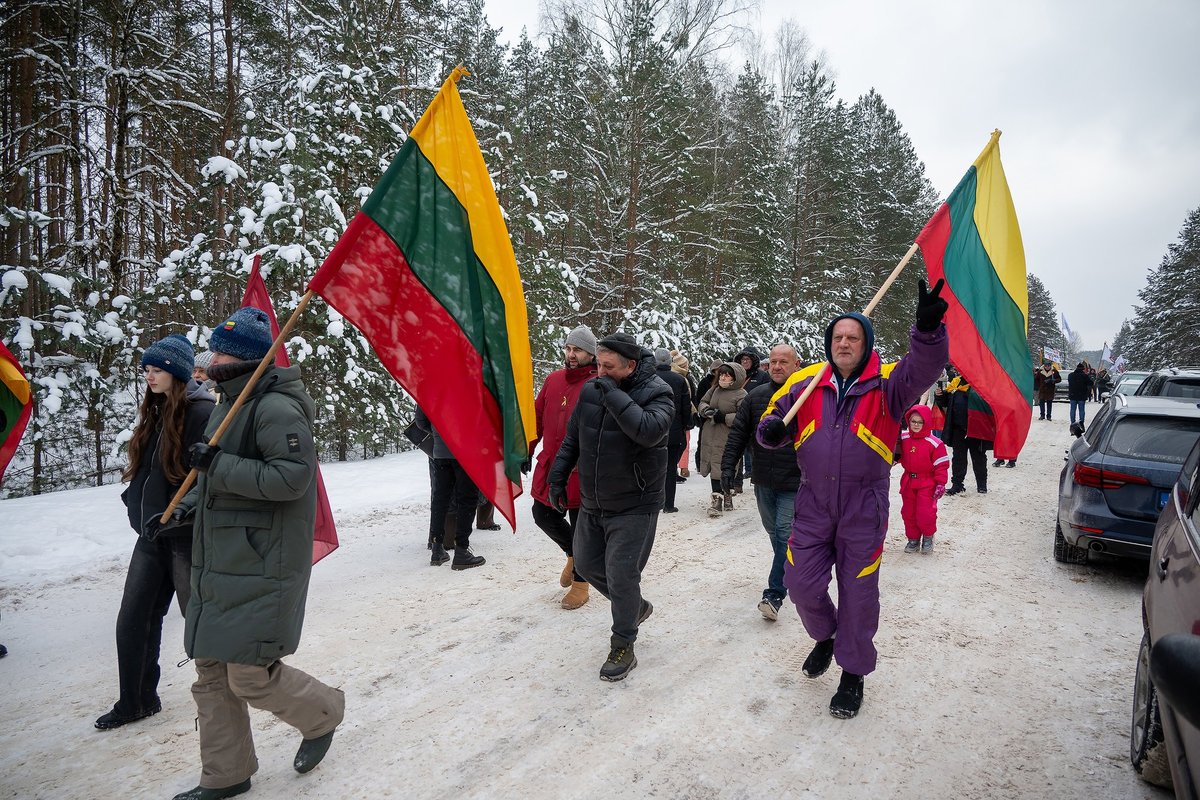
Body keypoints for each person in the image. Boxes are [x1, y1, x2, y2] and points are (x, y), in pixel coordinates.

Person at [171, 307, 345, 800]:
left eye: (223, 350)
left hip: (261, 559)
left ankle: (324, 713)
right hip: (219, 557)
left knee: (247, 673)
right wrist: (179, 510)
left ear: (246, 358)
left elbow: (292, 479)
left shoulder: (276, 407)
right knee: (210, 671)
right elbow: (206, 474)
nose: (213, 357)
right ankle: (225, 775)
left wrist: (218, 464)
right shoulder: (230, 401)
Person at [756, 279, 948, 719]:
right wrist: (770, 432)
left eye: (853, 337)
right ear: (829, 343)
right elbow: (773, 418)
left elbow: (925, 367)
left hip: (864, 506)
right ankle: (825, 637)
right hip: (813, 502)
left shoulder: (888, 384)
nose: (844, 343)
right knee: (801, 583)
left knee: (859, 593)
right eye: (838, 337)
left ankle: (853, 672)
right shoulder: (808, 381)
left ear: (866, 344)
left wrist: (928, 330)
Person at [95, 335, 215, 731]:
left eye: (157, 369)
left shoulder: (201, 412)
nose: (149, 376)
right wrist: (135, 501)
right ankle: (137, 700)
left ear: (177, 372)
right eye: (146, 369)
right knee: (133, 620)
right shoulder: (156, 408)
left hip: (183, 535)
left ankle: (225, 701)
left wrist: (177, 511)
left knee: (201, 626)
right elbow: (148, 468)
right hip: (150, 535)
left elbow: (205, 478)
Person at [547, 332, 674, 682]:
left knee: (621, 575)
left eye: (608, 366)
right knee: (585, 563)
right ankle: (635, 607)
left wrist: (615, 395)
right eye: (598, 364)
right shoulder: (593, 390)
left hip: (635, 502)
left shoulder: (659, 392)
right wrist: (557, 479)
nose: (599, 372)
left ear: (630, 366)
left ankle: (623, 643)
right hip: (593, 500)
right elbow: (574, 437)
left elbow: (648, 431)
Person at [719, 344, 803, 621]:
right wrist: (727, 467)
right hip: (764, 479)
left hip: (796, 479)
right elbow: (739, 435)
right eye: (774, 362)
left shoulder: (806, 397)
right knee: (773, 531)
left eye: (784, 362)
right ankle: (788, 567)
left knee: (783, 532)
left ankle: (774, 593)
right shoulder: (755, 397)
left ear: (796, 366)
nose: (777, 366)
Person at [529, 325, 598, 610]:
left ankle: (582, 582)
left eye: (577, 350)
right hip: (551, 464)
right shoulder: (554, 379)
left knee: (581, 524)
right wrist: (526, 449)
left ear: (590, 354)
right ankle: (573, 554)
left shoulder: (597, 384)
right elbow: (537, 417)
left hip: (582, 469)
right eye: (569, 348)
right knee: (541, 513)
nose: (571, 354)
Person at [414, 406, 487, 570]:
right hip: (467, 450)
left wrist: (440, 433)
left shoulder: (430, 386)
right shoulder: (470, 384)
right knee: (467, 499)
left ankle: (436, 548)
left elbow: (421, 421)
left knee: (440, 500)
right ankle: (461, 550)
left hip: (440, 452)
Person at [896, 405, 949, 554]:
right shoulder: (904, 438)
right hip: (908, 481)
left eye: (920, 422)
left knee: (925, 513)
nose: (916, 425)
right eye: (913, 421)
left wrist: (940, 483)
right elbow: (896, 454)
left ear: (926, 422)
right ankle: (913, 539)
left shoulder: (935, 443)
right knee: (908, 512)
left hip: (927, 483)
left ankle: (927, 537)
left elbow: (941, 464)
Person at [697, 362, 747, 517]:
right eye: (722, 374)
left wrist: (725, 417)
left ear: (735, 377)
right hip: (710, 433)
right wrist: (706, 410)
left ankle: (724, 496)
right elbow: (702, 402)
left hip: (728, 435)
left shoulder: (741, 394)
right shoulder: (715, 389)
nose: (724, 377)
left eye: (727, 375)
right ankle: (718, 498)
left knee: (723, 465)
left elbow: (743, 417)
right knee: (712, 465)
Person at [936, 369, 996, 495]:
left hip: (976, 430)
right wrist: (940, 396)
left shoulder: (981, 385)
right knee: (958, 458)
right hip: (958, 429)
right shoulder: (955, 383)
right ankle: (957, 485)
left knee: (978, 458)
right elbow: (945, 403)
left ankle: (982, 485)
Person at [654, 348, 693, 513]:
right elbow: (686, 406)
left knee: (654, 468)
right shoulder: (680, 380)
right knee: (670, 468)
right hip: (674, 430)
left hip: (653, 430)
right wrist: (687, 425)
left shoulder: (650, 379)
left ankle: (654, 502)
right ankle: (668, 504)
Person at [671, 351, 697, 479]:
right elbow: (689, 398)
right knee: (683, 442)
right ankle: (682, 467)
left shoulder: (681, 377)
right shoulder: (683, 378)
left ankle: (679, 467)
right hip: (681, 416)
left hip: (673, 416)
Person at [1067, 362, 1090, 427]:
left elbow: (1070, 382)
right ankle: (1081, 423)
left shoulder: (1070, 375)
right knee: (1081, 410)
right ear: (1083, 369)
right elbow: (1090, 383)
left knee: (1072, 410)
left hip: (1073, 394)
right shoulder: (1085, 376)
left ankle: (1072, 423)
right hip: (1082, 395)